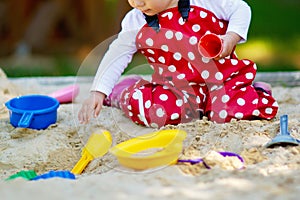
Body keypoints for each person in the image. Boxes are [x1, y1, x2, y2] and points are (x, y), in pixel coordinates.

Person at [78, 0, 278, 128]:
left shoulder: (206, 2)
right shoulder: (137, 20)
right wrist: (98, 91)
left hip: (221, 80)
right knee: (158, 112)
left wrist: (231, 37)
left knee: (233, 112)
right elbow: (117, 54)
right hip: (176, 89)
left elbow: (241, 8)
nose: (137, 3)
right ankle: (122, 92)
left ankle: (255, 91)